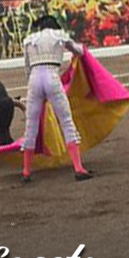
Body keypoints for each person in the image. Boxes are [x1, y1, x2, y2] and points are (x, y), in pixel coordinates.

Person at [20, 15, 92, 184]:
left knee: (31, 125)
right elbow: (79, 51)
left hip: (35, 80)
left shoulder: (29, 40)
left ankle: (26, 171)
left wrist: (33, 89)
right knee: (66, 121)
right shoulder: (59, 36)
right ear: (54, 26)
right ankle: (78, 168)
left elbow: (27, 68)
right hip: (52, 77)